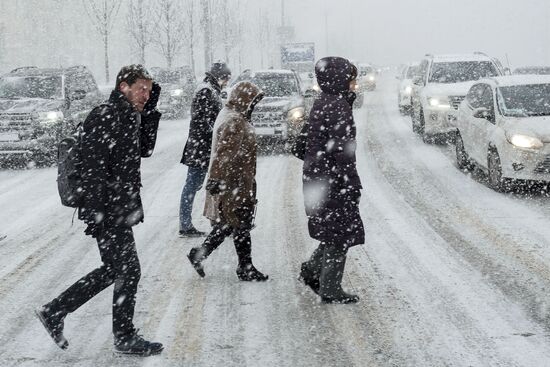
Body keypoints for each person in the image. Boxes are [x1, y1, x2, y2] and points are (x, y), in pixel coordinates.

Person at [35, 65, 164, 356]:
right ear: (123, 86)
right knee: (129, 271)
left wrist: (150, 110)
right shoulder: (105, 115)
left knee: (112, 270)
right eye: (140, 88)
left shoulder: (130, 115)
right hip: (108, 208)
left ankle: (55, 311)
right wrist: (95, 212)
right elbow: (92, 169)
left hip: (117, 206)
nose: (145, 94)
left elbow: (144, 149)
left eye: (148, 88)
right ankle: (124, 336)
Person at [187, 81, 269, 282]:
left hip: (234, 181)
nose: (255, 106)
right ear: (245, 101)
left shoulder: (232, 115)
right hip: (235, 183)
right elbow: (223, 154)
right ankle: (245, 268)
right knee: (241, 223)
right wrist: (216, 179)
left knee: (229, 224)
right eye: (253, 101)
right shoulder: (235, 121)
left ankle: (199, 254)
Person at [298, 57, 365, 304]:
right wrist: (350, 182)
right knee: (340, 233)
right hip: (332, 180)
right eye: (351, 79)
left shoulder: (325, 102)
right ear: (340, 80)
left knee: (332, 230)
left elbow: (311, 143)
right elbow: (343, 151)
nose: (354, 84)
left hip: (319, 177)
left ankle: (312, 270)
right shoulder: (337, 106)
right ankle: (330, 288)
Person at [179, 62, 231, 237]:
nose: (227, 81)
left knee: (198, 185)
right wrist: (216, 136)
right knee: (193, 185)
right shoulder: (206, 91)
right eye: (226, 77)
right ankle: (185, 225)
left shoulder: (210, 89)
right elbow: (203, 122)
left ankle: (218, 220)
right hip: (201, 148)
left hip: (202, 147)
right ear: (219, 76)